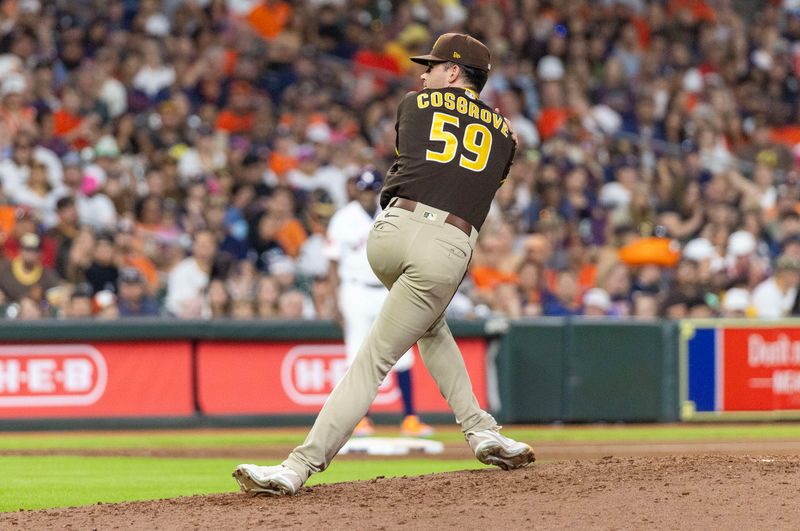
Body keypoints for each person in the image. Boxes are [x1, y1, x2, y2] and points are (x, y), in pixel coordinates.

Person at [234, 33, 534, 497]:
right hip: (446, 244)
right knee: (373, 362)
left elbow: (413, 160)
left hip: (390, 232)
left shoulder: (415, 104)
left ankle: (481, 429)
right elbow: (482, 179)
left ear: (453, 72)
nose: (423, 73)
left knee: (430, 328)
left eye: (433, 66)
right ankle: (297, 466)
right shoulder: (506, 135)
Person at [326, 168, 433, 437]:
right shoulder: (343, 218)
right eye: (363, 190)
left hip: (388, 288)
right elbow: (332, 262)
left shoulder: (392, 212)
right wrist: (333, 298)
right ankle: (361, 419)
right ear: (355, 190)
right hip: (355, 290)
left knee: (403, 353)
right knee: (357, 354)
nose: (367, 195)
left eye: (371, 190)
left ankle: (410, 418)